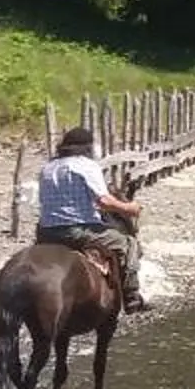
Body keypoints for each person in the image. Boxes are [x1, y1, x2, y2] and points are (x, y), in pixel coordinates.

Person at [36, 126, 151, 312]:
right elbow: (104, 201)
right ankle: (131, 295)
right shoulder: (86, 166)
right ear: (87, 147)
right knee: (128, 243)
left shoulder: (47, 168)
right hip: (78, 231)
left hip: (46, 232)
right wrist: (129, 208)